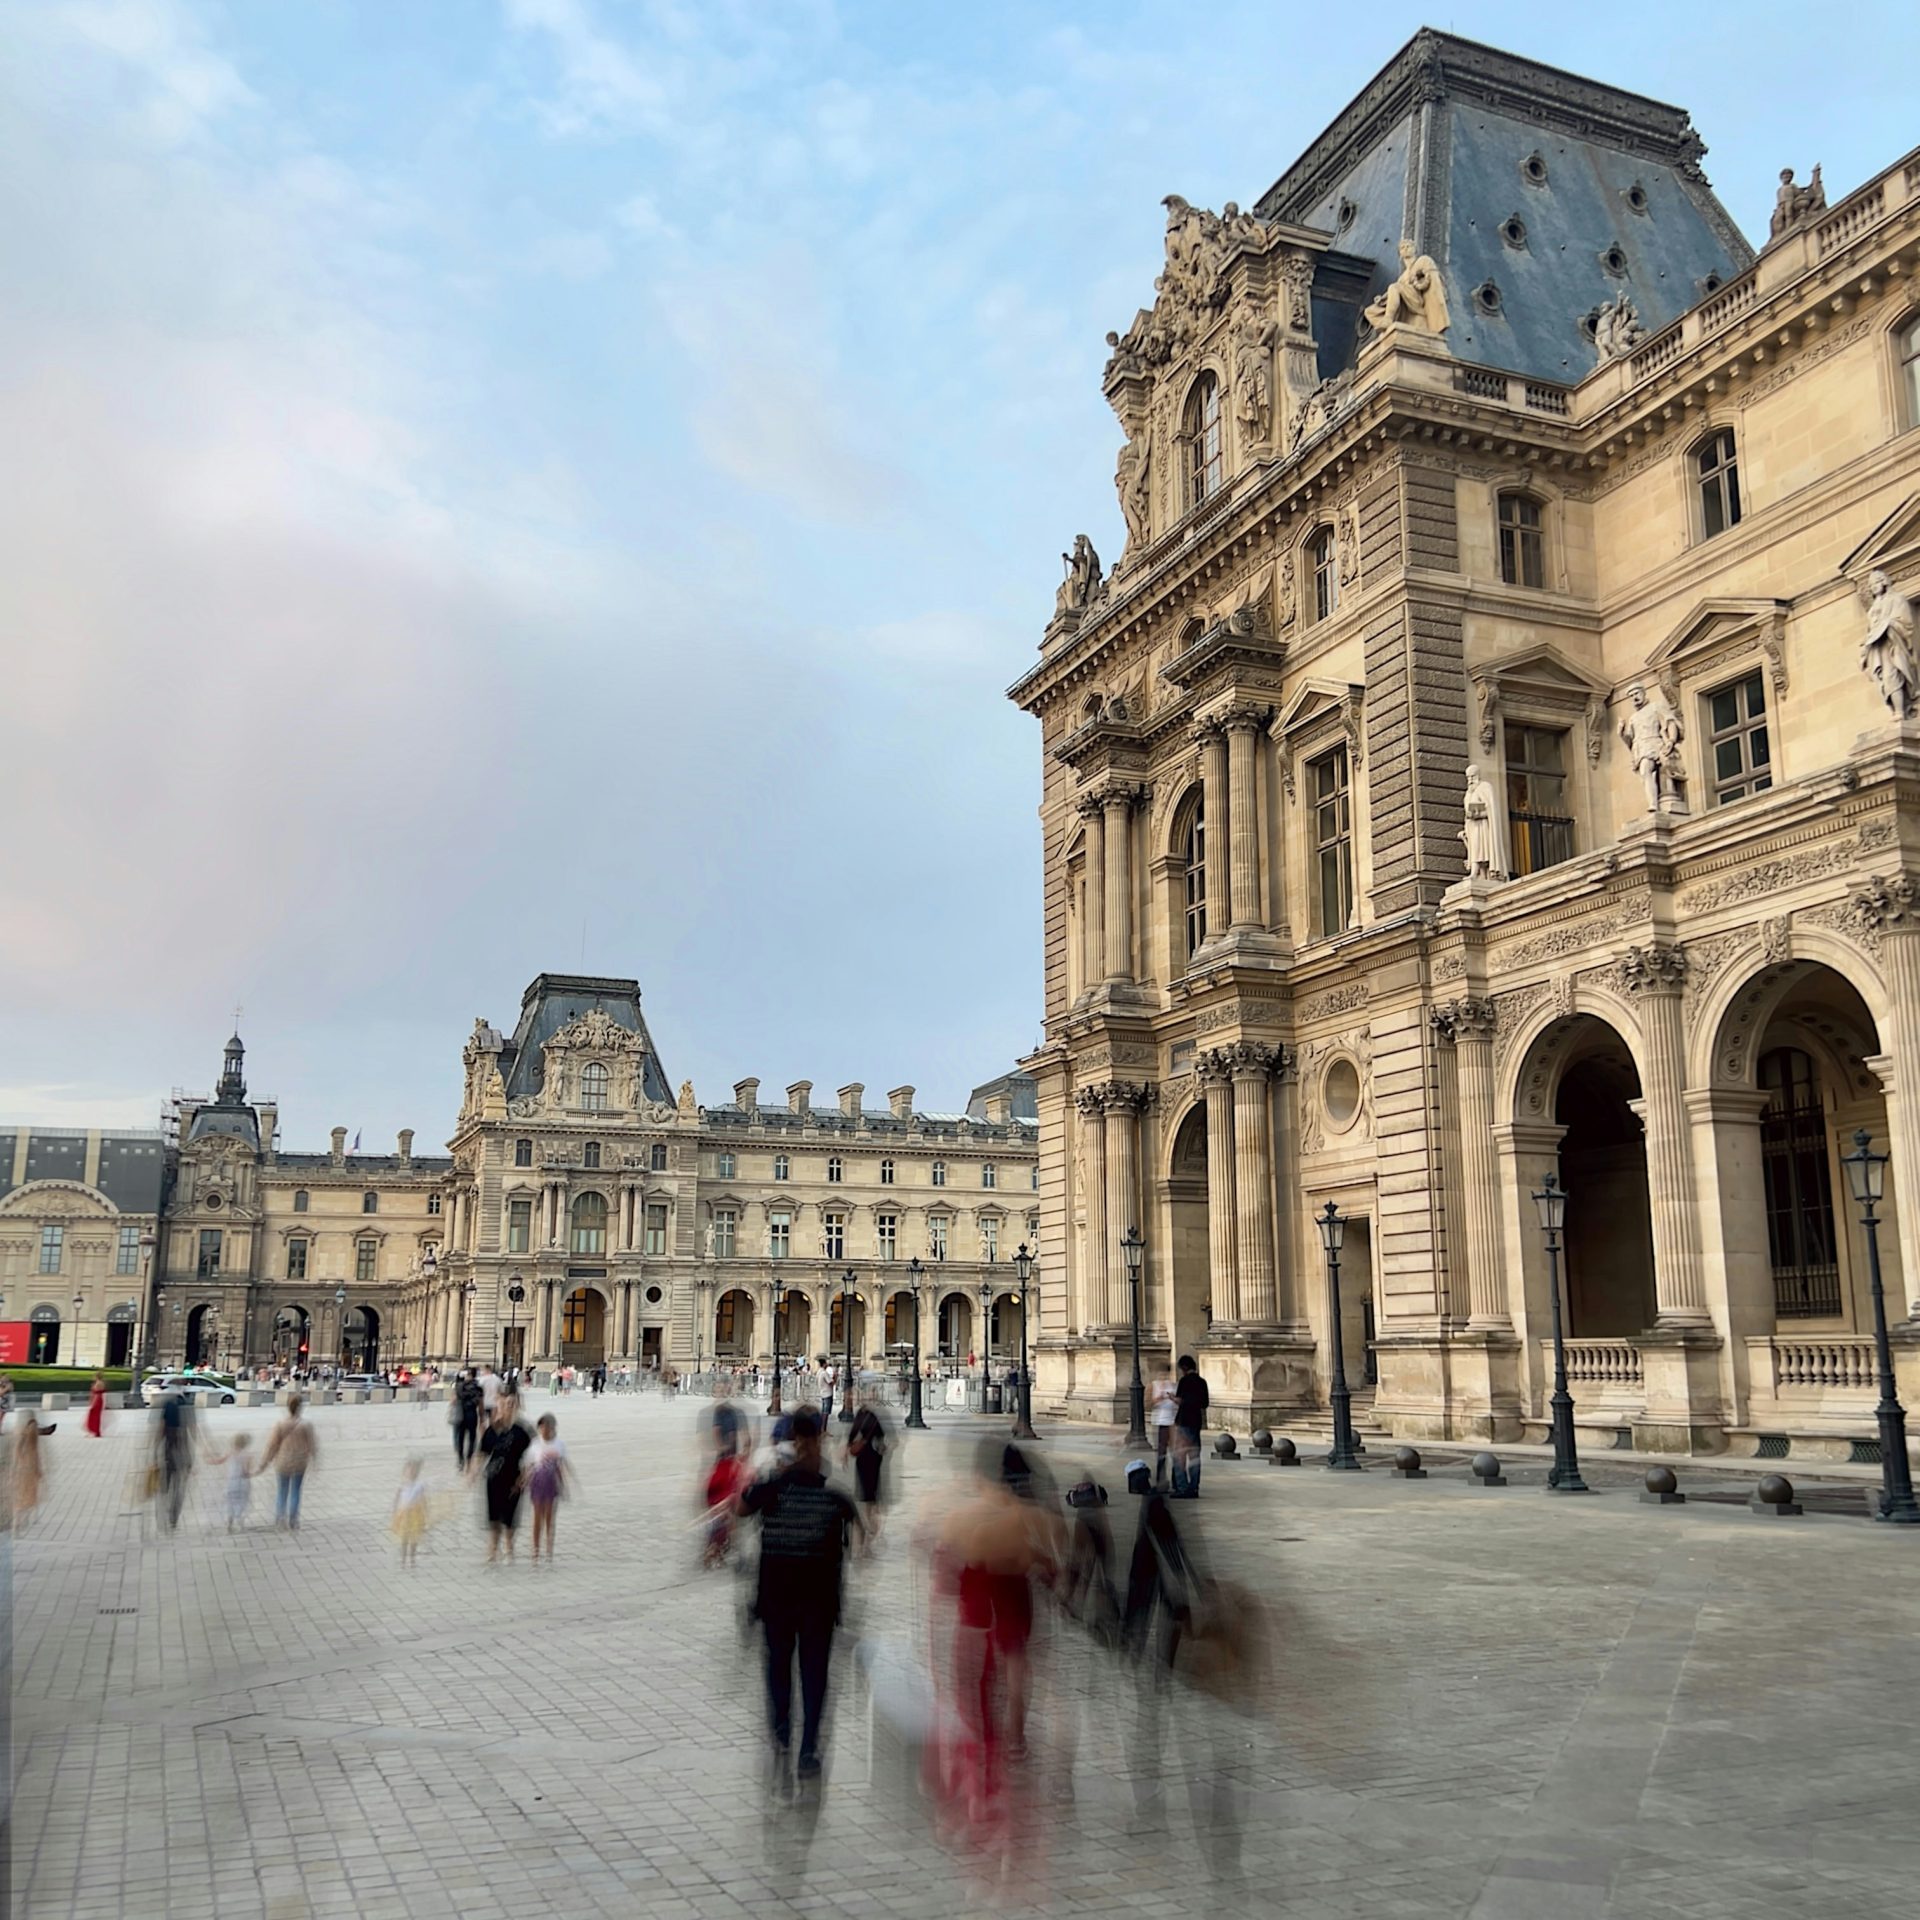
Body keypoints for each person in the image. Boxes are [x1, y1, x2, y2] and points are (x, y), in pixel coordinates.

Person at [738, 1408, 863, 1788]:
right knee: (814, 1675)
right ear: (821, 1436)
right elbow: (860, 1532)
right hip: (818, 1600)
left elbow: (742, 1507)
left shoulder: (775, 1484)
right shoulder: (833, 1488)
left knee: (779, 1669)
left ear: (793, 1437)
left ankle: (781, 1735)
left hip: (778, 1596)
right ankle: (807, 1746)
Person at [476, 1390, 533, 1563]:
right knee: (493, 1516)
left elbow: (532, 1456)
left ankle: (509, 1547)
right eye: (506, 1404)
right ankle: (493, 1549)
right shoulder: (493, 1429)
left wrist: (525, 1476)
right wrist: (472, 1471)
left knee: (510, 1517)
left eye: (512, 1405)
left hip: (514, 1479)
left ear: (517, 1407)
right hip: (493, 1478)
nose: (509, 1407)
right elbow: (482, 1453)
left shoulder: (523, 1431)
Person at [260, 1394, 318, 1531]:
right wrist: (314, 1460)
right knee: (296, 1491)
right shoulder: (306, 1425)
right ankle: (293, 1519)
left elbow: (272, 1445)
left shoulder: (280, 1424)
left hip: (283, 1461)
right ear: (300, 1408)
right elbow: (312, 1445)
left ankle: (280, 1517)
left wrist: (265, 1461)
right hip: (300, 1461)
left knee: (282, 1490)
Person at [527, 1413, 570, 1562]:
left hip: (552, 1483)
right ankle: (535, 1549)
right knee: (537, 1517)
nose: (545, 1430)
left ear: (553, 1428)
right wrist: (524, 1481)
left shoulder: (559, 1444)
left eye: (548, 1427)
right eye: (542, 1427)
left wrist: (563, 1484)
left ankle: (549, 1549)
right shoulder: (535, 1444)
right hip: (537, 1483)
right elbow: (530, 1466)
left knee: (550, 1518)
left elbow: (560, 1466)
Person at [846, 1397, 888, 1538]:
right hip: (874, 1457)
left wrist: (846, 1452)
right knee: (873, 1490)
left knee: (865, 1491)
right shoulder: (874, 1417)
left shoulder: (859, 1416)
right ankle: (873, 1522)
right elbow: (882, 1436)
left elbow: (851, 1436)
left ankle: (869, 1522)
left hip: (862, 1458)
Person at [156, 1387, 197, 1531]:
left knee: (166, 1482)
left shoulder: (167, 1405)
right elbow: (193, 1430)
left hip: (169, 1449)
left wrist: (154, 1448)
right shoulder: (187, 1406)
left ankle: (164, 1505)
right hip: (182, 1449)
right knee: (179, 1486)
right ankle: (173, 1516)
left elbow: (160, 1429)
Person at [1171, 1355, 1209, 1499]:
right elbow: (1205, 1403)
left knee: (1179, 1457)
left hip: (1183, 1422)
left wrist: (1173, 1399)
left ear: (1184, 1368)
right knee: (1194, 1457)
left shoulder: (1184, 1381)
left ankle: (1182, 1488)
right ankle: (1194, 1488)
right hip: (1196, 1422)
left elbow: (1180, 1401)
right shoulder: (1202, 1382)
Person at [8, 1408, 46, 1530]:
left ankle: (20, 1519)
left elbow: (18, 1453)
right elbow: (34, 1454)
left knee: (23, 1495)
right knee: (29, 1495)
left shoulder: (23, 1434)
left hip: (24, 1468)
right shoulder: (30, 1434)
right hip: (29, 1468)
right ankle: (26, 1518)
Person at [390, 1455, 429, 1566]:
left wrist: (426, 1514)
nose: (411, 1473)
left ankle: (412, 1557)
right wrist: (394, 1512)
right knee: (404, 1536)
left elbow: (424, 1500)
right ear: (404, 1472)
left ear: (417, 1472)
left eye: (414, 1471)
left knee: (414, 1537)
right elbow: (396, 1499)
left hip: (415, 1514)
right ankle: (403, 1557)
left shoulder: (420, 1485)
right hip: (404, 1513)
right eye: (409, 1470)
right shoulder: (402, 1485)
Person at [213, 1431, 256, 1531]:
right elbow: (246, 1470)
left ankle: (230, 1522)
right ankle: (240, 1521)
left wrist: (210, 1460)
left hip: (232, 1481)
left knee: (230, 1501)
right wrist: (252, 1473)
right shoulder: (248, 1455)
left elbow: (219, 1460)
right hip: (243, 1482)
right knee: (242, 1501)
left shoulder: (230, 1452)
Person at [1150, 1369, 1177, 1487]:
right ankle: (1160, 1479)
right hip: (1161, 1421)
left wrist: (1172, 1398)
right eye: (1161, 1375)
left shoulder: (1174, 1386)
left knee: (1175, 1453)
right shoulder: (1154, 1385)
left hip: (1173, 1422)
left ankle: (1176, 1480)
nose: (1163, 1377)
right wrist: (1160, 1397)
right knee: (1162, 1452)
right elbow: (1150, 1403)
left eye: (1165, 1375)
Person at [452, 1369, 481, 1468]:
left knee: (460, 1437)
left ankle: (461, 1459)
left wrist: (460, 1380)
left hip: (462, 1414)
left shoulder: (460, 1386)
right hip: (472, 1413)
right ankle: (469, 1457)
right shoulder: (477, 1387)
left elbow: (458, 1393)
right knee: (472, 1437)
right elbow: (479, 1400)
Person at [84, 1372, 108, 1439]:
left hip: (97, 1399)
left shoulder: (98, 1383)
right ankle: (95, 1431)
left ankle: (94, 1431)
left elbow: (96, 1391)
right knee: (96, 1416)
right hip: (98, 1399)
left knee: (93, 1415)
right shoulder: (101, 1383)